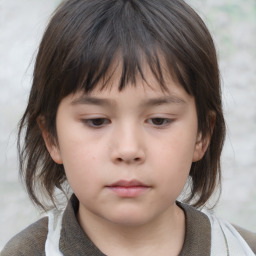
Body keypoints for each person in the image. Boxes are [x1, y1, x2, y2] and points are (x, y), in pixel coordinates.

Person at [1, 0, 256, 255]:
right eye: (96, 121)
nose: (128, 149)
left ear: (202, 135)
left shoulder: (243, 249)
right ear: (51, 138)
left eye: (159, 120)